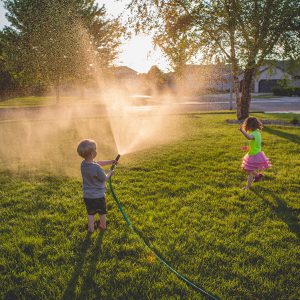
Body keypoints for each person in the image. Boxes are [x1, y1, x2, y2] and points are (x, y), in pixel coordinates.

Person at [77, 139, 116, 233]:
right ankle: (103, 226)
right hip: (98, 196)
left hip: (87, 196)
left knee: (90, 214)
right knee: (102, 212)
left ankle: (91, 229)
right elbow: (104, 178)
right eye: (95, 149)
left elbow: (98, 162)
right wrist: (110, 172)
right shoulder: (96, 168)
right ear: (92, 153)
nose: (96, 151)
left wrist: (111, 161)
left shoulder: (83, 164)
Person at [239, 117, 271, 190]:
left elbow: (249, 138)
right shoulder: (256, 133)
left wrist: (242, 131)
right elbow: (255, 144)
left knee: (249, 172)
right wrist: (247, 147)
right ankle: (258, 176)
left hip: (254, 155)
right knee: (246, 168)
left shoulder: (254, 134)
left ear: (250, 126)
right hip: (254, 152)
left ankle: (247, 187)